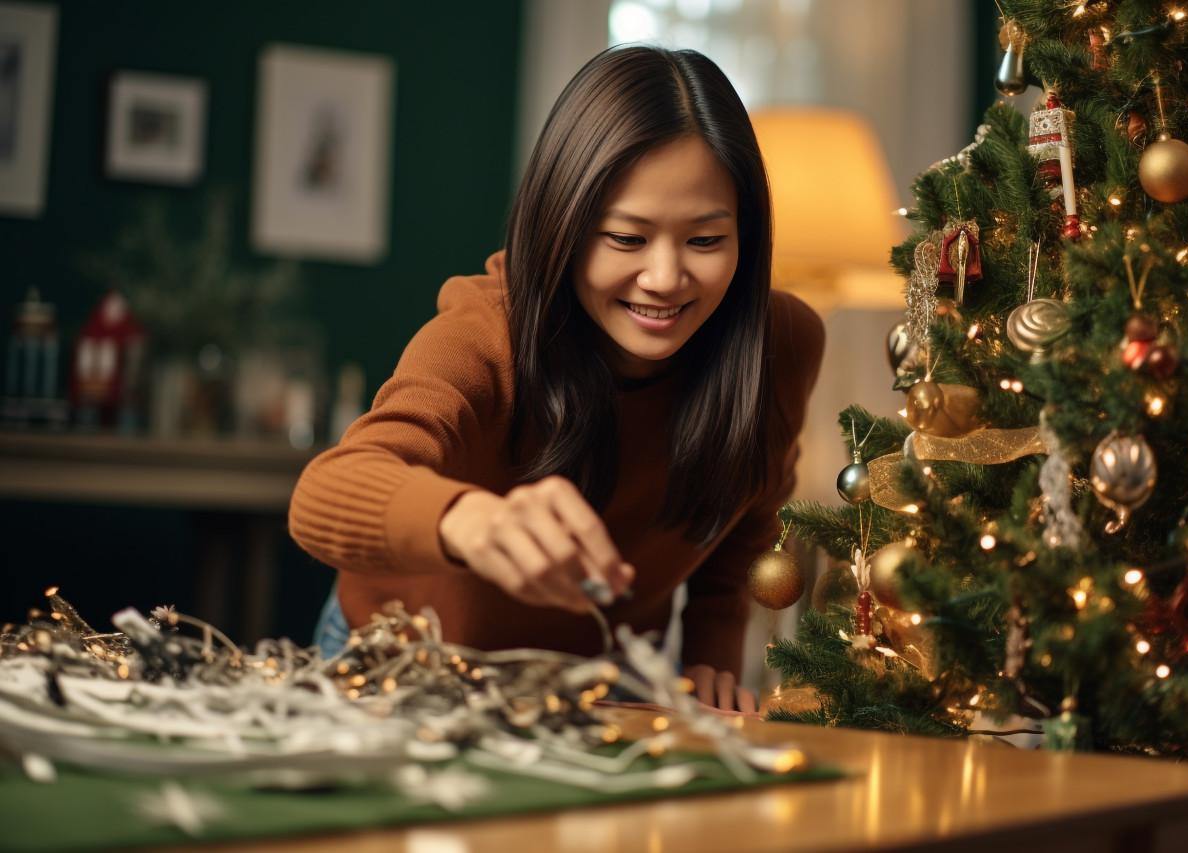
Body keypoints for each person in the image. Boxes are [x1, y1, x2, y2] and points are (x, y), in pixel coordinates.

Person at [288, 45, 824, 713]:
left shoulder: (783, 345)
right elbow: (325, 492)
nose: (665, 278)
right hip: (407, 666)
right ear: (563, 226)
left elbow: (747, 519)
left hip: (606, 675)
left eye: (706, 241)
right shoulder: (484, 335)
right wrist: (473, 522)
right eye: (626, 238)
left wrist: (711, 652)